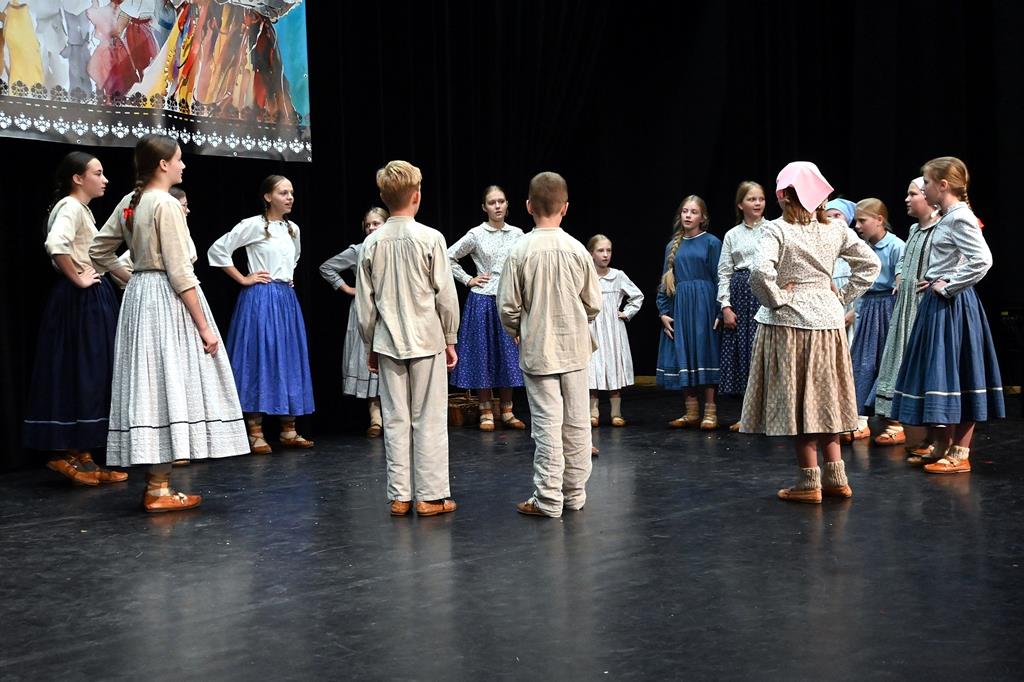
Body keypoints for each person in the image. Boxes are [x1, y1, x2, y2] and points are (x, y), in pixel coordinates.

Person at [90, 133, 249, 512]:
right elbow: (180, 272)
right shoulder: (165, 204)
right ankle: (158, 488)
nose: (183, 165)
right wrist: (205, 327)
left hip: (141, 298)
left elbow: (99, 250)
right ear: (163, 164)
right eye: (178, 159)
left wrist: (134, 278)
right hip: (165, 298)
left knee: (153, 385)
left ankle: (157, 485)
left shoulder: (131, 200)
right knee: (169, 381)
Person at [741, 161, 879, 504]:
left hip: (790, 323)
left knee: (800, 403)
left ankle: (809, 482)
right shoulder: (835, 229)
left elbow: (759, 273)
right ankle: (837, 478)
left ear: (784, 195)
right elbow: (870, 265)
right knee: (825, 399)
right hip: (828, 323)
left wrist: (777, 298)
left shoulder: (776, 230)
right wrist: (840, 297)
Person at [355, 160, 460, 517]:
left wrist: (369, 343)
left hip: (388, 342)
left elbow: (365, 305)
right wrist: (450, 337)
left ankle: (400, 496)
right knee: (429, 418)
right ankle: (430, 496)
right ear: (416, 196)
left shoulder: (371, 243)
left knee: (395, 418)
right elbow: (445, 296)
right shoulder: (431, 238)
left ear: (384, 197)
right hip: (427, 340)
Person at [497, 172, 602, 518]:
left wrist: (517, 328)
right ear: (565, 208)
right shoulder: (577, 250)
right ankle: (574, 494)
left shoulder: (520, 250)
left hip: (539, 349)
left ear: (528, 206)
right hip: (574, 349)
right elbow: (594, 303)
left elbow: (507, 306)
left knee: (546, 425)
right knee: (577, 424)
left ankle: (548, 498)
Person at [891, 156, 1004, 474]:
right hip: (938, 303)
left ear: (942, 185)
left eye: (926, 183)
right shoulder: (947, 216)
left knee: (958, 373)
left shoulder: (960, 217)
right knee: (940, 374)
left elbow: (982, 260)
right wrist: (935, 280)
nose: (923, 187)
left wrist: (949, 285)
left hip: (954, 306)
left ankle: (960, 452)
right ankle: (942, 445)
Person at [23, 151, 127, 486]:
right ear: (77, 178)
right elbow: (57, 245)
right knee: (81, 371)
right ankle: (64, 454)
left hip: (92, 297)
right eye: (98, 173)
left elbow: (101, 258)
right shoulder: (70, 206)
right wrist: (78, 279)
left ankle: (84, 456)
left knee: (92, 373)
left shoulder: (81, 210)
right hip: (80, 301)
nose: (104, 179)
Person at [208, 175, 316, 455]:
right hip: (261, 299)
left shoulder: (293, 229)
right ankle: (255, 431)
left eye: (291, 193)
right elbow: (218, 250)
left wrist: (286, 276)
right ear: (268, 197)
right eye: (283, 193)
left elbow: (294, 258)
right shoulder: (253, 225)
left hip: (285, 299)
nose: (290, 197)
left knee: (288, 358)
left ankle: (289, 429)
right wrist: (244, 278)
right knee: (260, 357)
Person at [872, 178, 945, 457]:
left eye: (912, 193)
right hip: (906, 305)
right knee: (903, 361)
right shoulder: (914, 229)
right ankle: (914, 431)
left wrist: (943, 280)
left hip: (926, 305)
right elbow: (904, 260)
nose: (907, 199)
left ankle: (935, 436)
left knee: (926, 365)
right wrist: (901, 275)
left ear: (927, 197)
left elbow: (961, 258)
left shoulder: (941, 227)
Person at [447, 186, 526, 430]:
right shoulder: (476, 234)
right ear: (484, 207)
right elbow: (448, 256)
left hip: (508, 299)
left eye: (501, 201)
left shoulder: (517, 234)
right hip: (482, 300)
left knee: (507, 354)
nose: (497, 206)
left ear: (507, 204)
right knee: (483, 354)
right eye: (492, 202)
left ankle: (507, 410)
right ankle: (485, 410)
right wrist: (468, 279)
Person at [319, 207, 389, 437]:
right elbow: (327, 267)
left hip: (391, 309)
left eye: (376, 223)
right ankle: (375, 419)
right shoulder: (358, 250)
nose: (371, 228)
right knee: (370, 361)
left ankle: (395, 418)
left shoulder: (394, 247)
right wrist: (348, 288)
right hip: (366, 310)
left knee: (392, 362)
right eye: (368, 225)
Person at [656, 195, 722, 429]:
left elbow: (720, 278)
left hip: (705, 305)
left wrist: (720, 310)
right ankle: (691, 411)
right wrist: (663, 312)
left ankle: (710, 412)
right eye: (685, 211)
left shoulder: (712, 243)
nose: (688, 215)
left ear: (702, 218)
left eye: (693, 212)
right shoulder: (672, 246)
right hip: (681, 306)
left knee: (705, 353)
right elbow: (665, 282)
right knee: (684, 353)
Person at [845, 198, 905, 442]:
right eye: (856, 221)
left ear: (880, 220)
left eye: (862, 220)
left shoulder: (896, 246)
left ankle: (895, 422)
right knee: (863, 360)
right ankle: (860, 419)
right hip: (868, 305)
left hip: (888, 306)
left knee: (888, 362)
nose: (857, 226)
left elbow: (901, 277)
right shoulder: (862, 247)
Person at [716, 181, 768, 430]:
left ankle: (770, 415)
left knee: (765, 354)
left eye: (761, 199)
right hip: (741, 295)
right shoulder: (732, 235)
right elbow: (724, 272)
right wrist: (726, 306)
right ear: (740, 204)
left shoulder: (773, 229)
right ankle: (748, 416)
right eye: (751, 199)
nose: (757, 203)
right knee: (744, 354)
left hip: (765, 293)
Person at [586, 234, 643, 426]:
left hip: (612, 330)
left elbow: (637, 296)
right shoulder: (585, 276)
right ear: (591, 253)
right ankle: (593, 412)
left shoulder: (618, 276)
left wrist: (626, 313)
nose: (605, 255)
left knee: (614, 366)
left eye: (608, 250)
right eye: (600, 250)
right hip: (592, 327)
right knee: (593, 368)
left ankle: (616, 413)